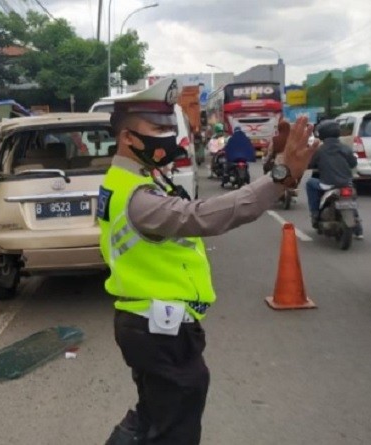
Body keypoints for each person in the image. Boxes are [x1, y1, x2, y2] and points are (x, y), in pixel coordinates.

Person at [99, 77, 320, 445]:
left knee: (154, 416)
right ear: (128, 139)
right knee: (175, 431)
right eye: (158, 129)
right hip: (159, 331)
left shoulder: (133, 179)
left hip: (151, 325)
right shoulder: (138, 197)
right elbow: (206, 215)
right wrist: (280, 176)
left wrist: (274, 164)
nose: (170, 137)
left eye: (171, 128)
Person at [305, 119, 363, 237]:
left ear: (322, 133)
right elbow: (353, 164)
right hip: (347, 183)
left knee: (310, 183)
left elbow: (310, 164)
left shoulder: (320, 149)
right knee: (350, 201)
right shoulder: (345, 148)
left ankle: (315, 212)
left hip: (327, 184)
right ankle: (358, 229)